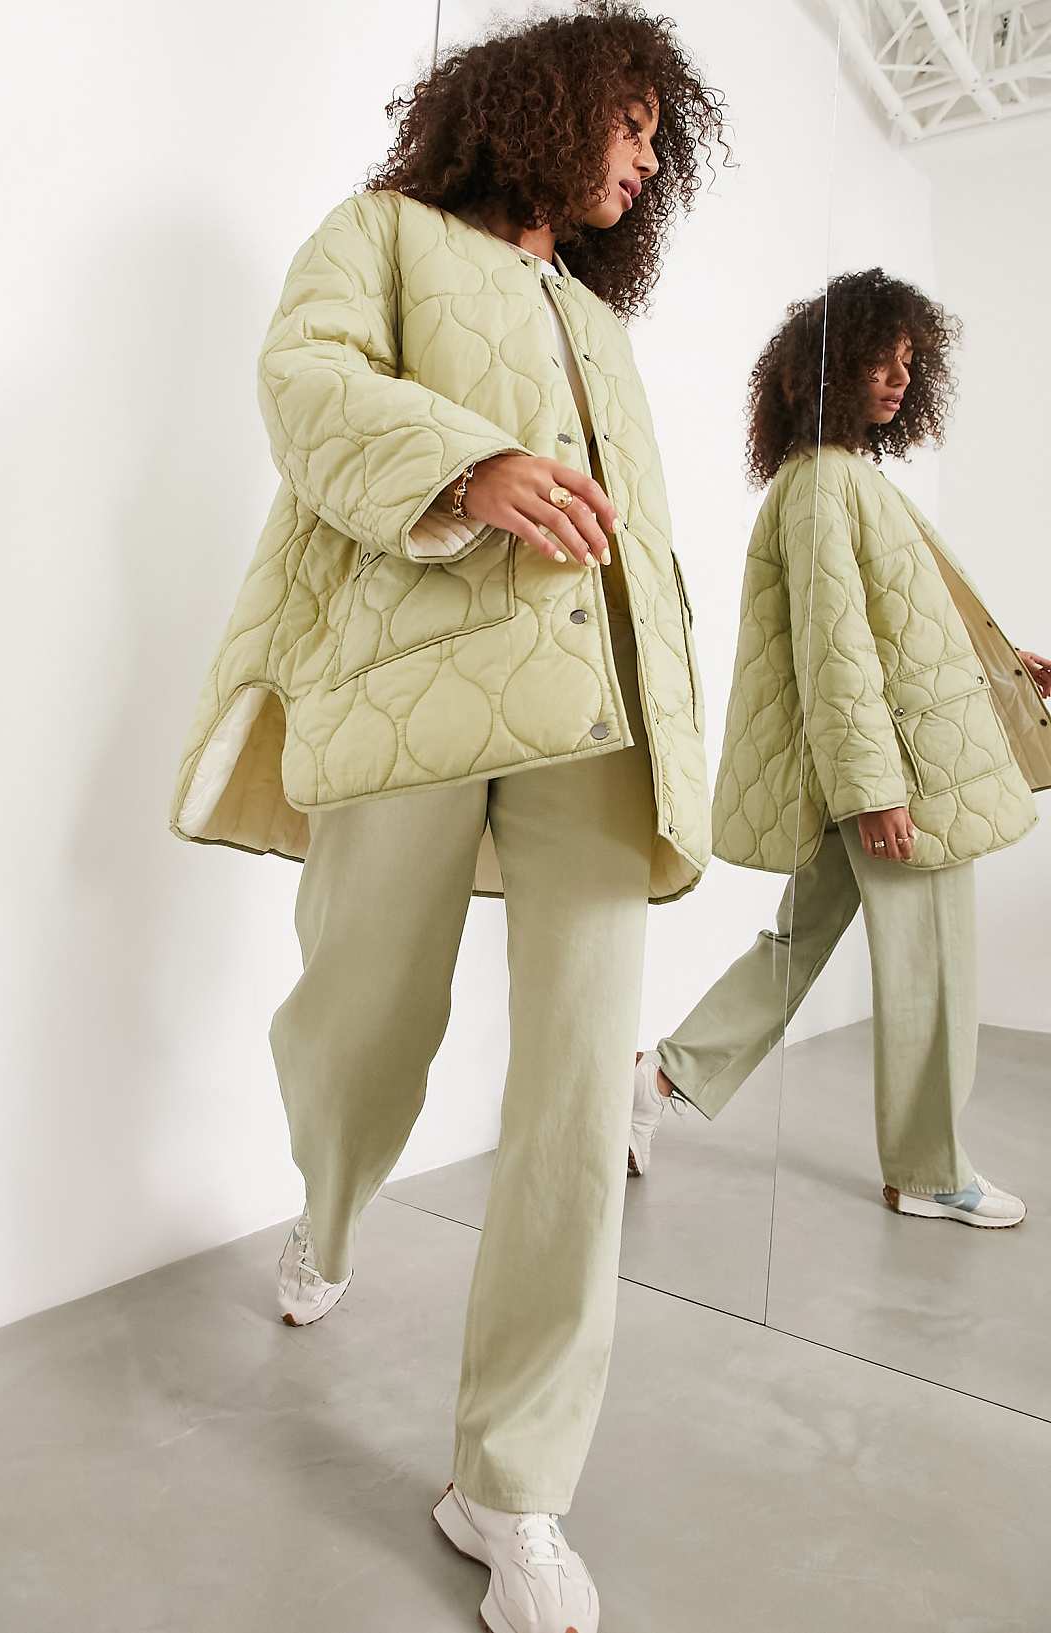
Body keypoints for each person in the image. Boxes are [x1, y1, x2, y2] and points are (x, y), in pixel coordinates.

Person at [166, 8, 728, 1628]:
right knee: (366, 1016)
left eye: (660, 138)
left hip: (595, 720)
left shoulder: (600, 324)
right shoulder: (385, 234)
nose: (644, 158)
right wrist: (470, 466)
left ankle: (511, 1485)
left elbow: (644, 539)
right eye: (628, 123)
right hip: (409, 680)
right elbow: (306, 381)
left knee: (579, 1089)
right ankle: (329, 1200)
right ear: (540, 104)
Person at [632, 268, 1051, 1230]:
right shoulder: (824, 484)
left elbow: (906, 625)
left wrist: (1005, 661)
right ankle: (930, 1170)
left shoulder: (845, 478)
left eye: (908, 362)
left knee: (794, 948)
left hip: (875, 765)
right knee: (932, 970)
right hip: (897, 775)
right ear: (827, 365)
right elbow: (835, 650)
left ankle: (653, 1082)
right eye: (878, 359)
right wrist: (874, 791)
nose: (898, 378)